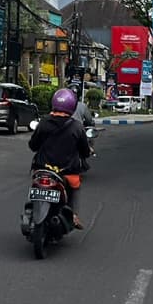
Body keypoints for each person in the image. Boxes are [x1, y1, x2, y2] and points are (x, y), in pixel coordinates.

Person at [29, 88, 92, 229]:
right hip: (67, 171)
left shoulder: (44, 123)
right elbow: (85, 151)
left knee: (35, 185)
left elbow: (33, 145)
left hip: (42, 169)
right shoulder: (76, 127)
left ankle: (33, 208)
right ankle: (74, 215)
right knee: (75, 187)